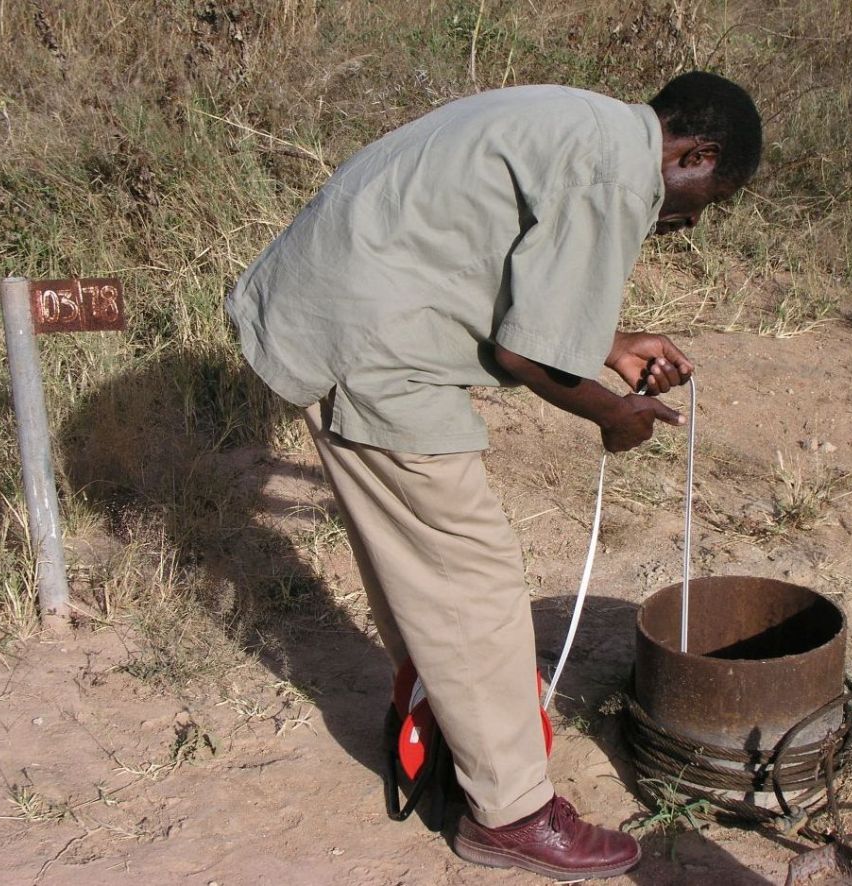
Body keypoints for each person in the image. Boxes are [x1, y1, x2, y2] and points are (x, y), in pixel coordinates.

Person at [226, 70, 761, 881]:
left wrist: (606, 344)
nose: (684, 222)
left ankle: (451, 723)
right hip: (375, 343)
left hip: (336, 307)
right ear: (696, 152)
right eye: (703, 199)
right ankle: (510, 815)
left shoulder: (583, 121)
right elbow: (526, 353)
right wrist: (612, 417)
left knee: (423, 565)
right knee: (469, 578)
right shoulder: (619, 171)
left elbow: (495, 264)